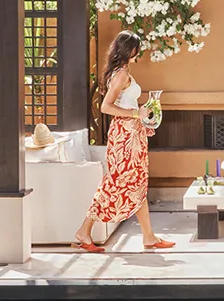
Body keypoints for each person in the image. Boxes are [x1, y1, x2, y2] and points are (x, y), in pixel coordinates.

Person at [73, 31, 174, 252]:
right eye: (136, 49)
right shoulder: (120, 75)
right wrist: (137, 114)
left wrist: (142, 120)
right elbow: (106, 107)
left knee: (137, 184)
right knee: (117, 182)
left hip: (131, 134)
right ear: (129, 50)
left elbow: (126, 106)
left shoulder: (121, 72)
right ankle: (84, 230)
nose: (139, 53)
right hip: (125, 137)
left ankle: (149, 237)